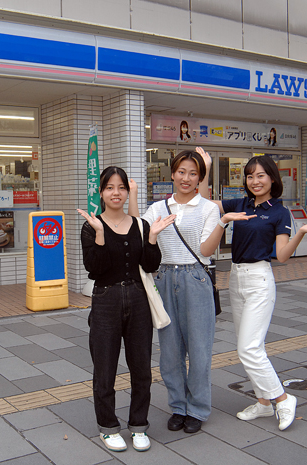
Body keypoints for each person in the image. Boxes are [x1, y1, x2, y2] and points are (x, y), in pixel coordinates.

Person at [197, 147, 307, 431]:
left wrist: (300, 233)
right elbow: (205, 202)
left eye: (260, 176)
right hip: (236, 278)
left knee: (249, 348)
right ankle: (263, 403)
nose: (255, 181)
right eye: (250, 176)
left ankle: (282, 398)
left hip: (260, 280)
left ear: (272, 178)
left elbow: (282, 256)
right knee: (248, 347)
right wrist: (206, 169)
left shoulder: (279, 212)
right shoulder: (241, 204)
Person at [78, 166, 175, 453]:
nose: (116, 193)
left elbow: (150, 265)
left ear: (127, 191)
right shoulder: (91, 226)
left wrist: (152, 237)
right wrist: (99, 235)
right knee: (105, 369)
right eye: (110, 187)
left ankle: (139, 425)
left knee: (141, 368)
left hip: (138, 299)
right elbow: (95, 269)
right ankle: (108, 427)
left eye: (121, 187)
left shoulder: (140, 225)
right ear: (101, 192)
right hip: (106, 300)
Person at [129, 150, 220, 434]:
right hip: (165, 277)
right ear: (172, 174)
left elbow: (206, 250)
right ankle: (178, 406)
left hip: (195, 278)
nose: (186, 178)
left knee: (199, 350)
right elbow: (137, 229)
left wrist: (223, 222)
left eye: (193, 173)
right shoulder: (158, 207)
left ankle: (198, 409)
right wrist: (133, 194)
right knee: (169, 353)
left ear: (200, 178)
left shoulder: (208, 208)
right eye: (181, 171)